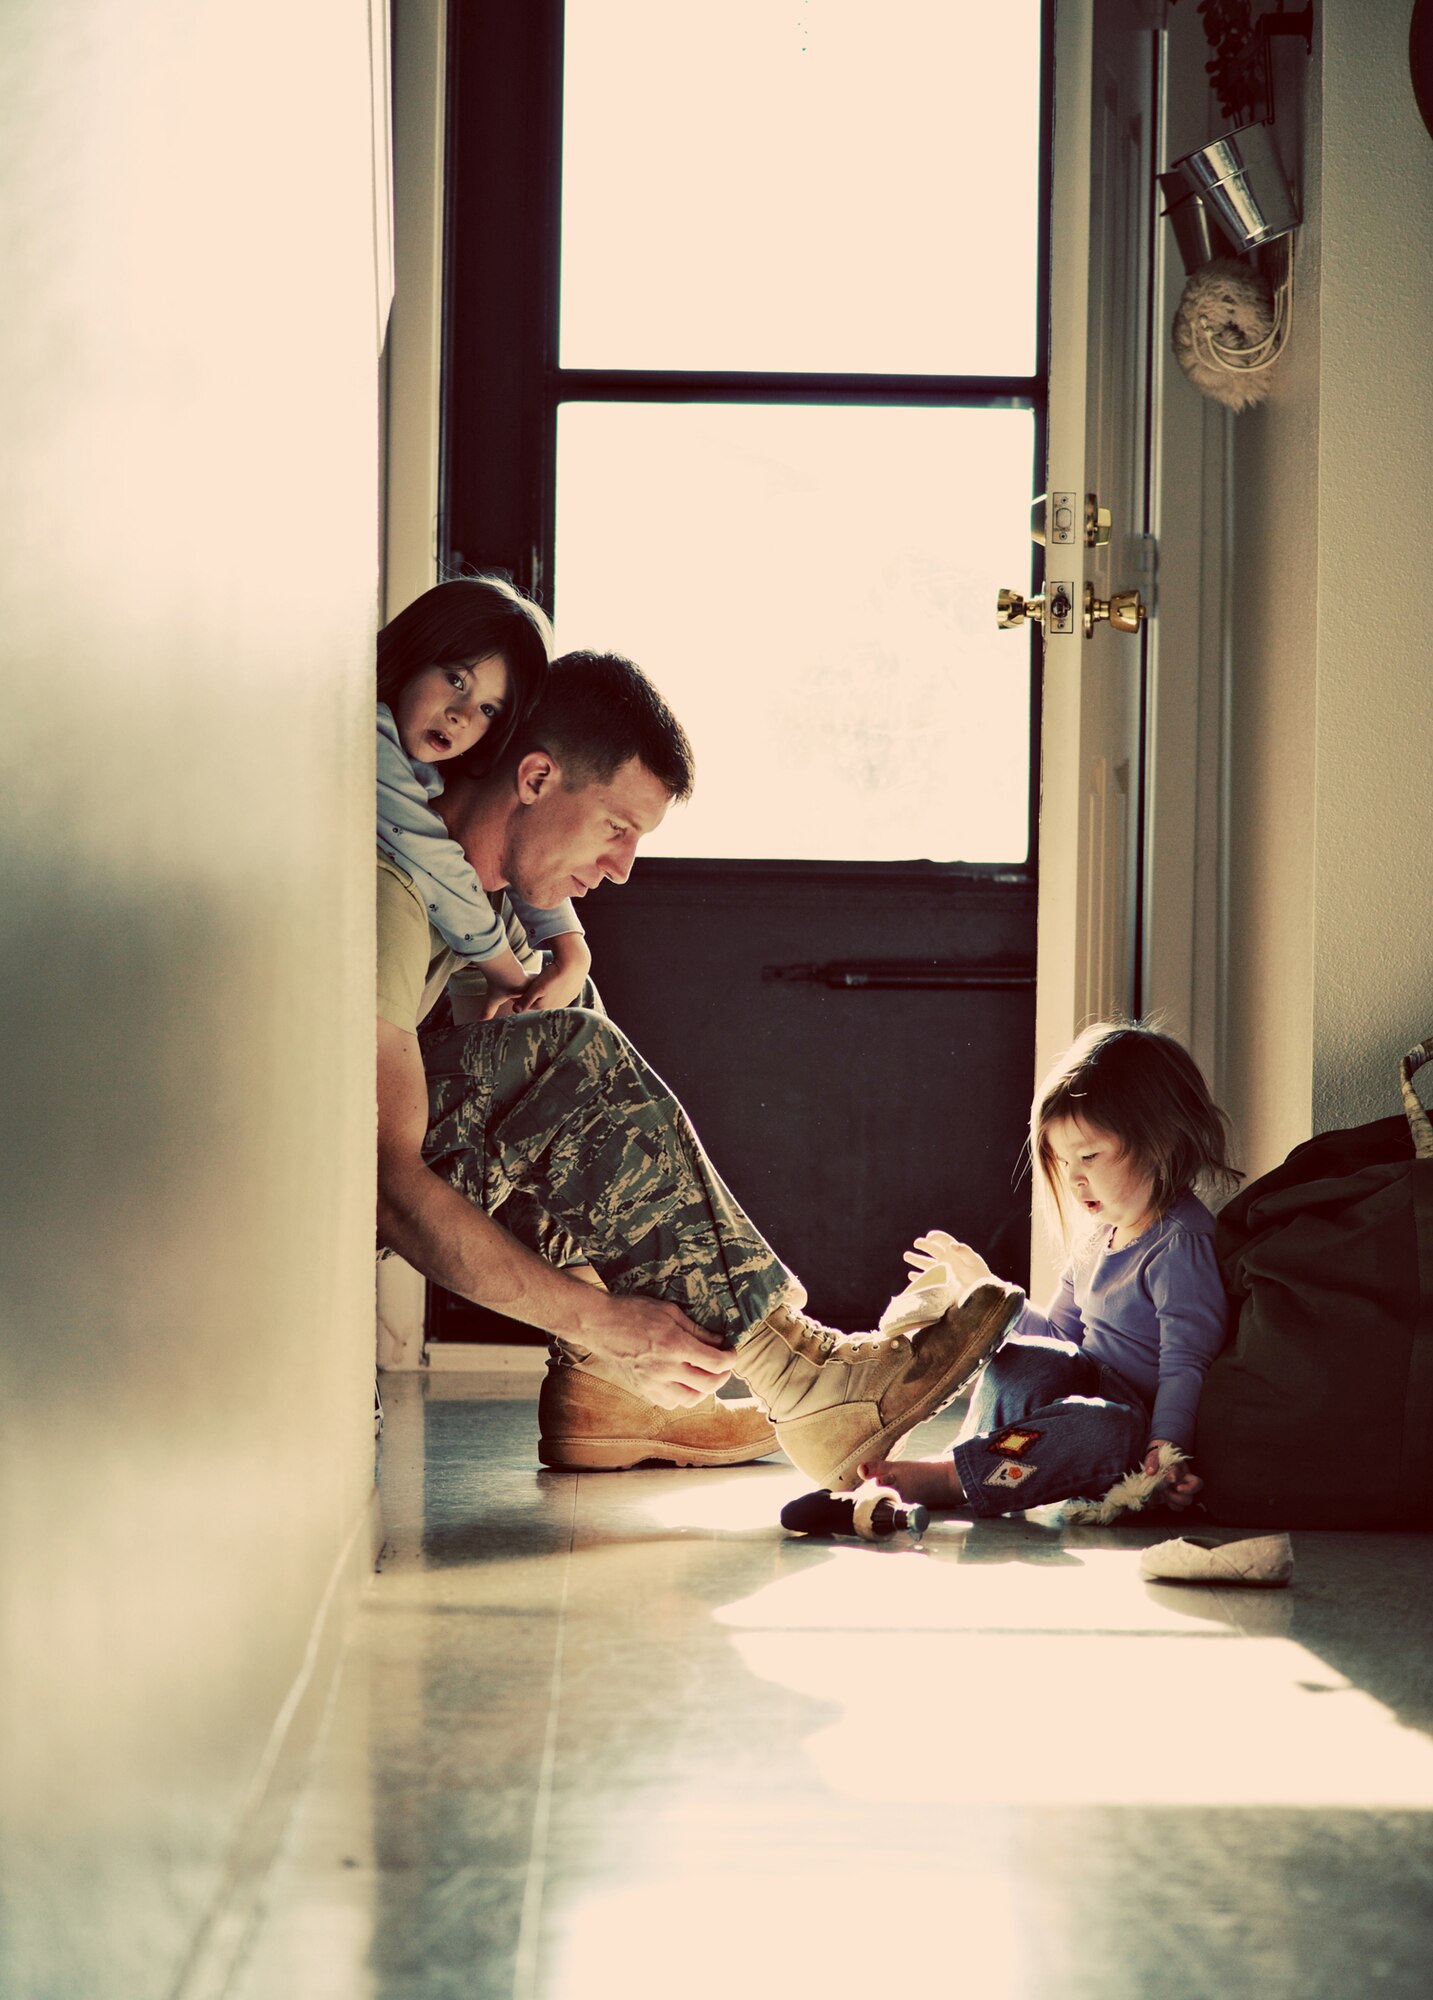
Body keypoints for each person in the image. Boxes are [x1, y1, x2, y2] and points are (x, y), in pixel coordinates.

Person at [376, 641, 1024, 1485]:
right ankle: (797, 1380)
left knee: (570, 1037)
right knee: (571, 1057)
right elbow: (384, 1183)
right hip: (314, 1181)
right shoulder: (394, 894)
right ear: (534, 779)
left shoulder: (485, 910)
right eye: (615, 829)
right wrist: (610, 1322)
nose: (620, 869)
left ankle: (689, 1379)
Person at [859, 1022, 1241, 1515]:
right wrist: (986, 1291)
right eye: (1062, 1162)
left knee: (1108, 1425)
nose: (1075, 1178)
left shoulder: (1179, 1241)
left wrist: (1164, 1449)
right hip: (1065, 1408)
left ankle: (959, 1479)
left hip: (1123, 1436)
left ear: (1161, 1141)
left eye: (1088, 1156)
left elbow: (1186, 1363)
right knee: (1022, 1356)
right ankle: (968, 1460)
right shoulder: (1097, 1235)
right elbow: (1059, 1338)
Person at [376, 575, 593, 1020]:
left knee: (571, 996)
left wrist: (570, 947)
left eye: (489, 709)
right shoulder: (365, 732)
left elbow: (516, 850)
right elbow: (431, 855)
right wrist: (507, 974)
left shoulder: (434, 769)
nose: (461, 716)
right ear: (416, 653)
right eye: (456, 680)